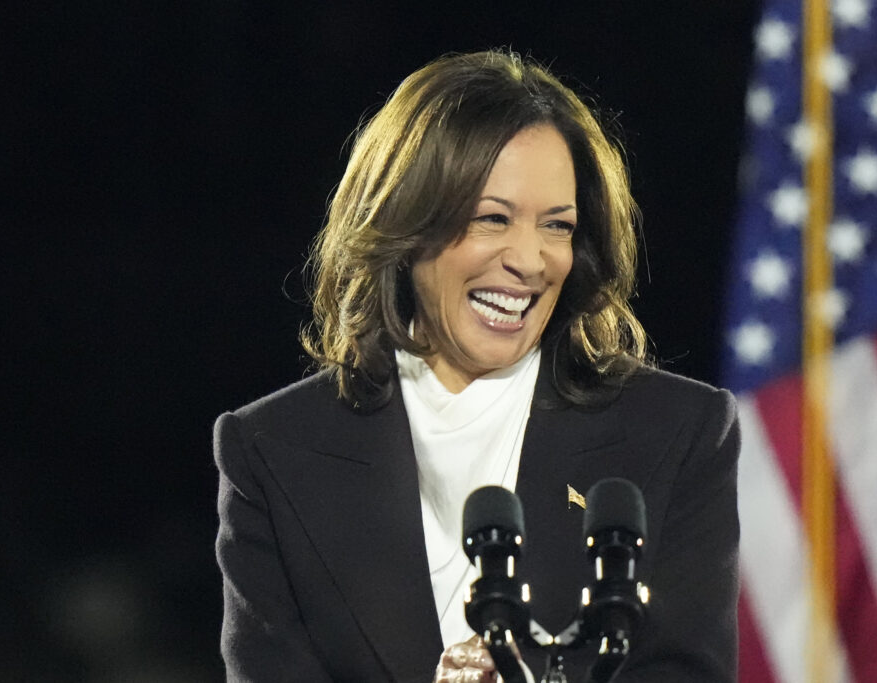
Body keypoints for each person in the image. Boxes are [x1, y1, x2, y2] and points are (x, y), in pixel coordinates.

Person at [214, 49, 740, 682]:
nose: (530, 259)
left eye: (557, 225)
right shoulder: (273, 450)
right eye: (492, 218)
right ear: (406, 224)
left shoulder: (678, 431)